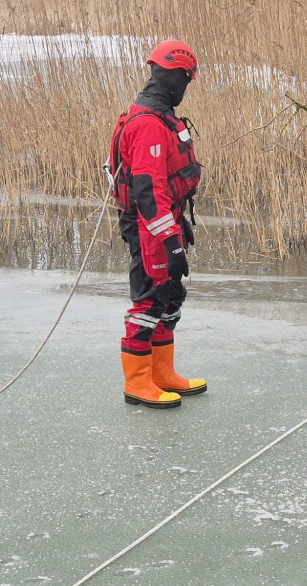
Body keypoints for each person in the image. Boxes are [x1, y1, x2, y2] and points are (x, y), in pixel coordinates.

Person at [107, 39, 207, 408]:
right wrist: (171, 240)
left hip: (166, 222)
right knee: (150, 300)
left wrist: (178, 230)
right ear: (174, 77)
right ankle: (138, 383)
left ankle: (162, 374)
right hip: (150, 227)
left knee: (170, 297)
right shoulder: (149, 124)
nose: (186, 87)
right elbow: (148, 191)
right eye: (186, 80)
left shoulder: (162, 116)